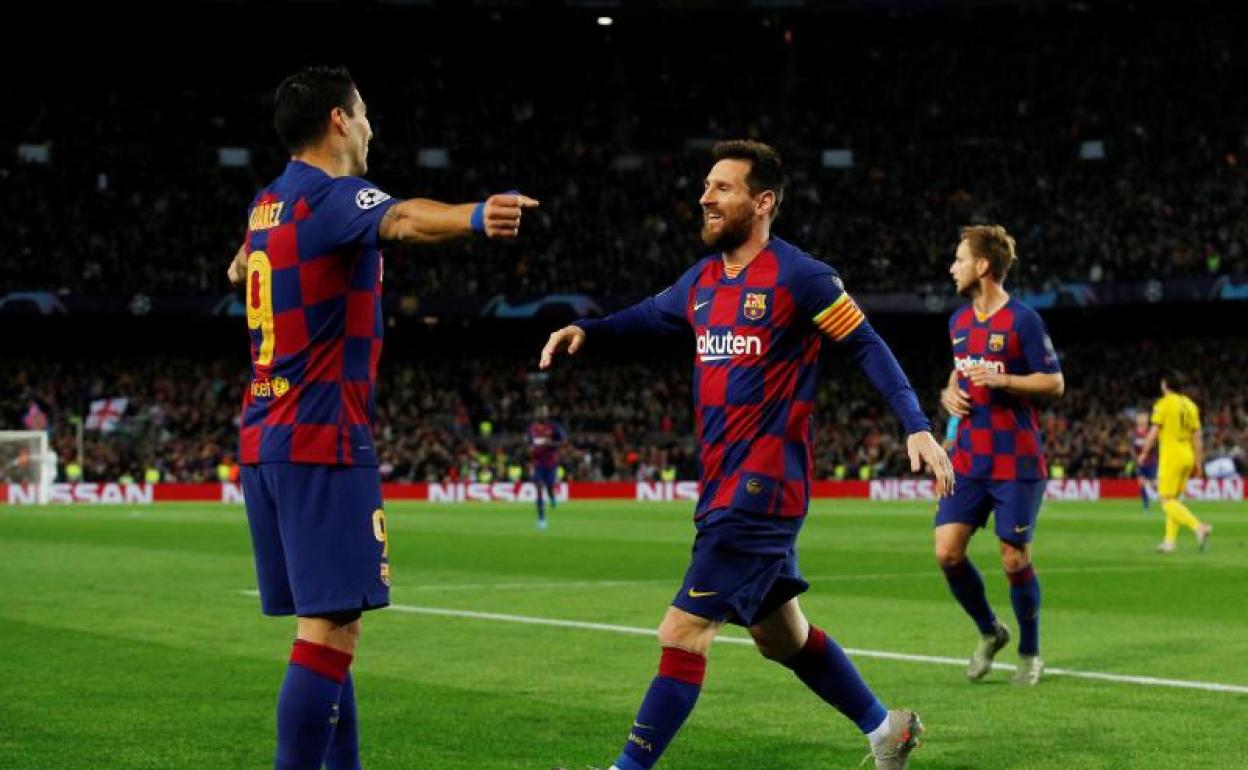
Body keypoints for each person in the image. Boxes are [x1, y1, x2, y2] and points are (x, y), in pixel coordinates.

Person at [541, 140, 952, 770]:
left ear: (762, 202)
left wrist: (916, 425)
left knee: (682, 632)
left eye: (722, 188)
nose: (705, 197)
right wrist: (588, 330)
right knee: (779, 636)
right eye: (707, 186)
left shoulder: (800, 275)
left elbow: (866, 344)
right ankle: (885, 729)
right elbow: (647, 315)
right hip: (723, 486)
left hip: (762, 489)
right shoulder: (702, 281)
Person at [228, 65, 536, 769]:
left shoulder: (268, 202)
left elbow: (242, 264)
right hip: (322, 436)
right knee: (329, 634)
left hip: (265, 436)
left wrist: (245, 265)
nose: (370, 126)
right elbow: (400, 218)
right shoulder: (333, 196)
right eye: (363, 112)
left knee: (333, 623)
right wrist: (476, 215)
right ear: (338, 120)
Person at [936, 225, 1065, 687]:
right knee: (947, 552)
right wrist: (949, 396)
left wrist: (1005, 380)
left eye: (959, 259)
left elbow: (1054, 382)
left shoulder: (1023, 320)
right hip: (969, 458)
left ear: (983, 265)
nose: (952, 267)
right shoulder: (958, 322)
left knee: (1013, 559)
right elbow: (960, 374)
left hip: (1016, 461)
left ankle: (1030, 652)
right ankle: (990, 630)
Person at [1136, 371, 1212, 553]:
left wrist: (1144, 452)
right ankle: (1169, 542)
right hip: (1187, 455)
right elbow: (1197, 437)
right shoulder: (1191, 406)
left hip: (1171, 455)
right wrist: (1198, 462)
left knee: (1165, 501)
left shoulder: (1163, 404)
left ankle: (1198, 527)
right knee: (1174, 500)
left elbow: (1154, 431)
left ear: (1165, 385)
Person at [526, 405, 566, 529]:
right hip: (538, 463)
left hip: (551, 462)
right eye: (539, 413)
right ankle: (541, 519)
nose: (541, 415)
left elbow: (563, 441)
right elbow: (529, 443)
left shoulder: (554, 426)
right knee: (539, 487)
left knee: (549, 487)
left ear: (547, 414)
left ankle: (552, 497)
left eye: (543, 413)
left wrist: (551, 443)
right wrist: (530, 449)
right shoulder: (532, 428)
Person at [1130, 411, 1158, 511]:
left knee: (1154, 485)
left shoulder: (1150, 433)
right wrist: (1136, 459)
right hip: (1140, 463)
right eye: (1140, 420)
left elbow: (1154, 446)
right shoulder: (1134, 434)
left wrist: (1146, 450)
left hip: (1150, 462)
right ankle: (1146, 504)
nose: (1142, 421)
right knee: (1141, 483)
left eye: (1144, 420)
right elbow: (1132, 448)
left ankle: (1167, 498)